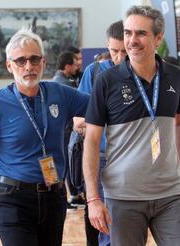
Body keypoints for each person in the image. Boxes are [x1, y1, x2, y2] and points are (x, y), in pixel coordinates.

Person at [83, 6, 180, 245]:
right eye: (128, 33)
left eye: (140, 33)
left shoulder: (174, 76)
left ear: (158, 38)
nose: (132, 41)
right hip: (123, 197)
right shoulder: (107, 81)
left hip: (171, 195)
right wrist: (93, 199)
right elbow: (91, 140)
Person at [0, 28, 89, 246]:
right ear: (9, 65)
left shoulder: (59, 94)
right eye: (21, 61)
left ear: (43, 62)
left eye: (34, 59)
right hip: (12, 199)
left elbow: (99, 106)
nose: (29, 67)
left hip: (53, 196)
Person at [72, 19, 126, 246]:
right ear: (107, 46)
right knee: (107, 227)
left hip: (133, 159)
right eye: (114, 50)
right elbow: (77, 121)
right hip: (102, 158)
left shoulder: (143, 73)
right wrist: (101, 119)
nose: (120, 57)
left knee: (129, 226)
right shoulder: (94, 73)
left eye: (125, 51)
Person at [51, 51, 81, 209]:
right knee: (61, 163)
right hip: (64, 131)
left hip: (64, 130)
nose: (77, 67)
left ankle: (65, 197)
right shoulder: (63, 84)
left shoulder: (58, 82)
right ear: (67, 66)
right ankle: (60, 197)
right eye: (75, 64)